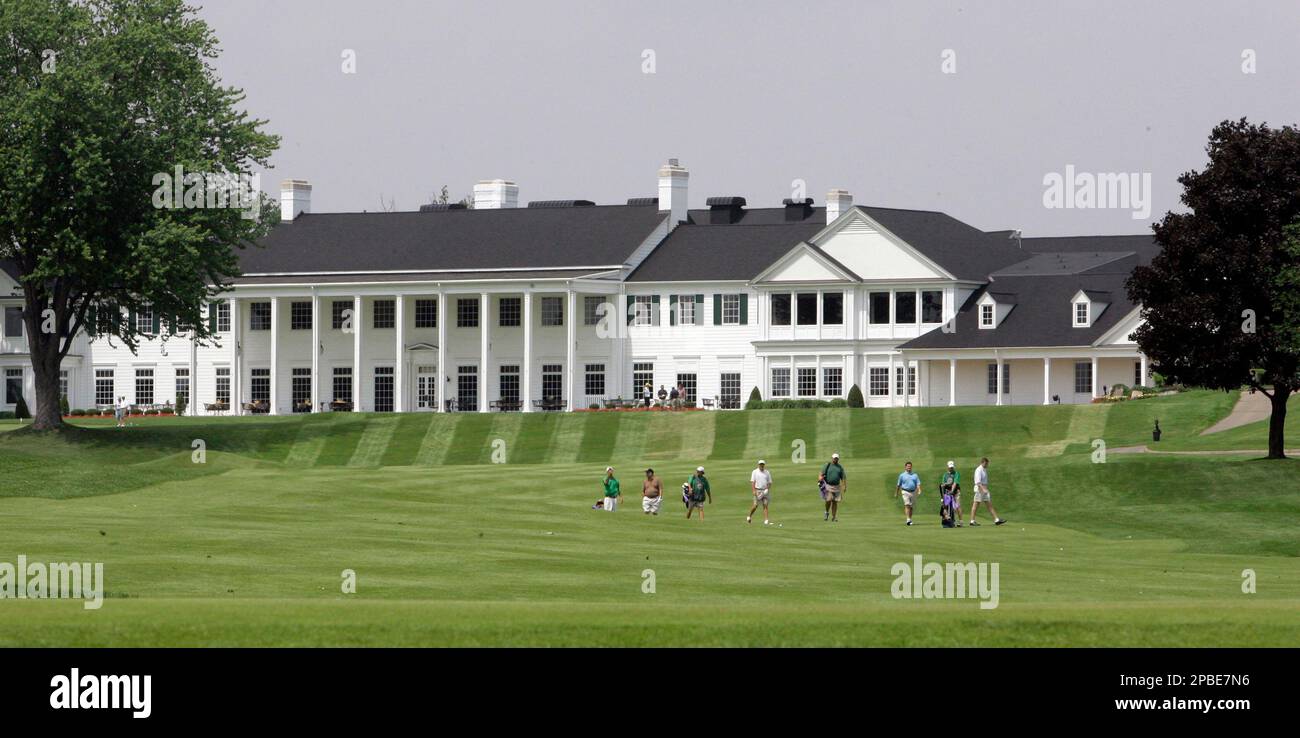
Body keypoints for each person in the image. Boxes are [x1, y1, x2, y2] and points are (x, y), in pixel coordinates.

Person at [969, 457, 1007, 526]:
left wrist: (985, 489)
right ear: (982, 463)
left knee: (989, 505)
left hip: (984, 490)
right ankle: (972, 521)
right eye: (986, 463)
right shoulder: (979, 470)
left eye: (987, 463)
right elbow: (978, 482)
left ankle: (996, 520)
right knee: (975, 505)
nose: (987, 465)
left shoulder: (984, 469)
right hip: (979, 490)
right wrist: (983, 489)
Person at [819, 452, 846, 522]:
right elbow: (821, 474)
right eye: (834, 458)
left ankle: (834, 517)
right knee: (828, 500)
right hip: (828, 486)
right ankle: (826, 512)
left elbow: (843, 477)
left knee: (835, 502)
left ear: (838, 459)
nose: (835, 459)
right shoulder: (827, 465)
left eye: (837, 458)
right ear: (832, 458)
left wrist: (844, 486)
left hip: (836, 487)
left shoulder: (840, 467)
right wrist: (820, 479)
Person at [895, 461, 921, 526]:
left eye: (910, 466)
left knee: (911, 507)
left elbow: (918, 483)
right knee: (907, 505)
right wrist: (896, 493)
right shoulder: (902, 475)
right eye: (908, 466)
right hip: (905, 491)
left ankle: (910, 519)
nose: (909, 467)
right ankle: (908, 519)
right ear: (905, 467)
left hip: (913, 492)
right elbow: (898, 485)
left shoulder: (915, 475)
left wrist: (919, 490)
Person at [748, 459, 773, 525]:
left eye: (762, 464)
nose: (761, 465)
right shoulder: (755, 472)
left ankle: (766, 520)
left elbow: (770, 482)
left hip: (765, 491)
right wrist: (753, 490)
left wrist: (767, 489)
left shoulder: (767, 472)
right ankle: (749, 516)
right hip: (757, 490)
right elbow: (753, 482)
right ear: (758, 465)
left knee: (765, 505)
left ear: (764, 465)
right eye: (760, 464)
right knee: (755, 505)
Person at [939, 460, 962, 527]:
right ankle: (950, 520)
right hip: (948, 493)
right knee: (949, 507)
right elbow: (943, 485)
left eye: (952, 467)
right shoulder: (945, 475)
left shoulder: (956, 473)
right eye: (950, 467)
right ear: (948, 467)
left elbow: (955, 483)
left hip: (956, 492)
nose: (951, 468)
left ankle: (960, 521)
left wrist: (952, 491)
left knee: (957, 506)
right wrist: (943, 495)